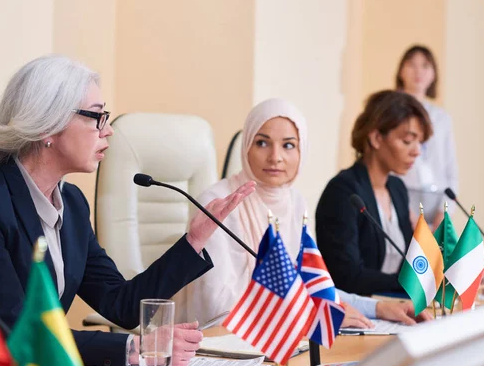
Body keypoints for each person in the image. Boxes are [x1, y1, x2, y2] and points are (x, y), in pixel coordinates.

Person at [0, 55, 255, 366]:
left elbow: (121, 304)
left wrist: (194, 239)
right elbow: (14, 330)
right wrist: (134, 347)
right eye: (96, 117)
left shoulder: (71, 204)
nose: (108, 131)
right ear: (49, 125)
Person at [175, 98, 431, 330]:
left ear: (302, 151)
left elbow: (310, 287)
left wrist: (377, 308)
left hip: (277, 341)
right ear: (246, 146)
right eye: (262, 142)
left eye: (288, 145)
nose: (276, 157)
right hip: (216, 349)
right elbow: (214, 307)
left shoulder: (295, 202)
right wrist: (307, 318)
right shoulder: (217, 203)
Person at [315, 90, 433, 296]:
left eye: (419, 142)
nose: (416, 151)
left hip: (395, 306)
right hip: (357, 314)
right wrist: (413, 281)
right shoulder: (343, 191)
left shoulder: (397, 188)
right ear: (376, 138)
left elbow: (408, 260)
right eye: (407, 141)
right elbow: (347, 276)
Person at [395, 45, 458, 228]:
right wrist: (408, 214)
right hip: (403, 199)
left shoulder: (442, 118)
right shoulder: (391, 113)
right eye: (412, 64)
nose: (418, 71)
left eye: (425, 66)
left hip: (437, 202)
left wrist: (444, 213)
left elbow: (451, 171)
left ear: (433, 74)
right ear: (401, 71)